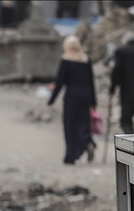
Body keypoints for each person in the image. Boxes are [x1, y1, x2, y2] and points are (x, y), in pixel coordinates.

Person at [48, 36, 97, 165]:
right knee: (83, 123)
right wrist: (93, 102)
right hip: (85, 96)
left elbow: (59, 82)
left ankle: (70, 155)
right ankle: (88, 142)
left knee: (70, 126)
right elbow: (91, 82)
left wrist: (51, 100)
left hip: (72, 96)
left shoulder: (66, 60)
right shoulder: (86, 59)